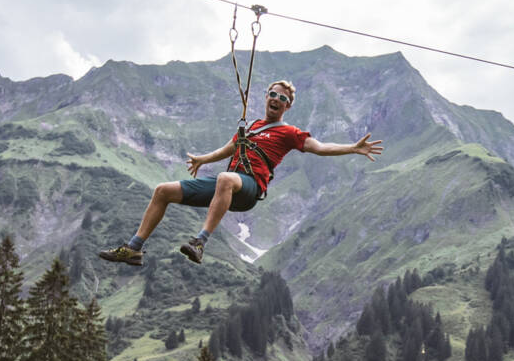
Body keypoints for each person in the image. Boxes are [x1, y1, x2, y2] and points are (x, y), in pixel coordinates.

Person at [99, 80, 382, 266]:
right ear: (266, 97)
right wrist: (202, 159)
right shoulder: (252, 126)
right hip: (227, 185)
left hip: (249, 188)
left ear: (288, 106)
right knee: (163, 190)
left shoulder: (289, 133)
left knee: (225, 178)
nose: (276, 99)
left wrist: (352, 148)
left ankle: (200, 242)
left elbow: (318, 147)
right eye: (273, 94)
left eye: (282, 98)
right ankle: (133, 248)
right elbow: (230, 148)